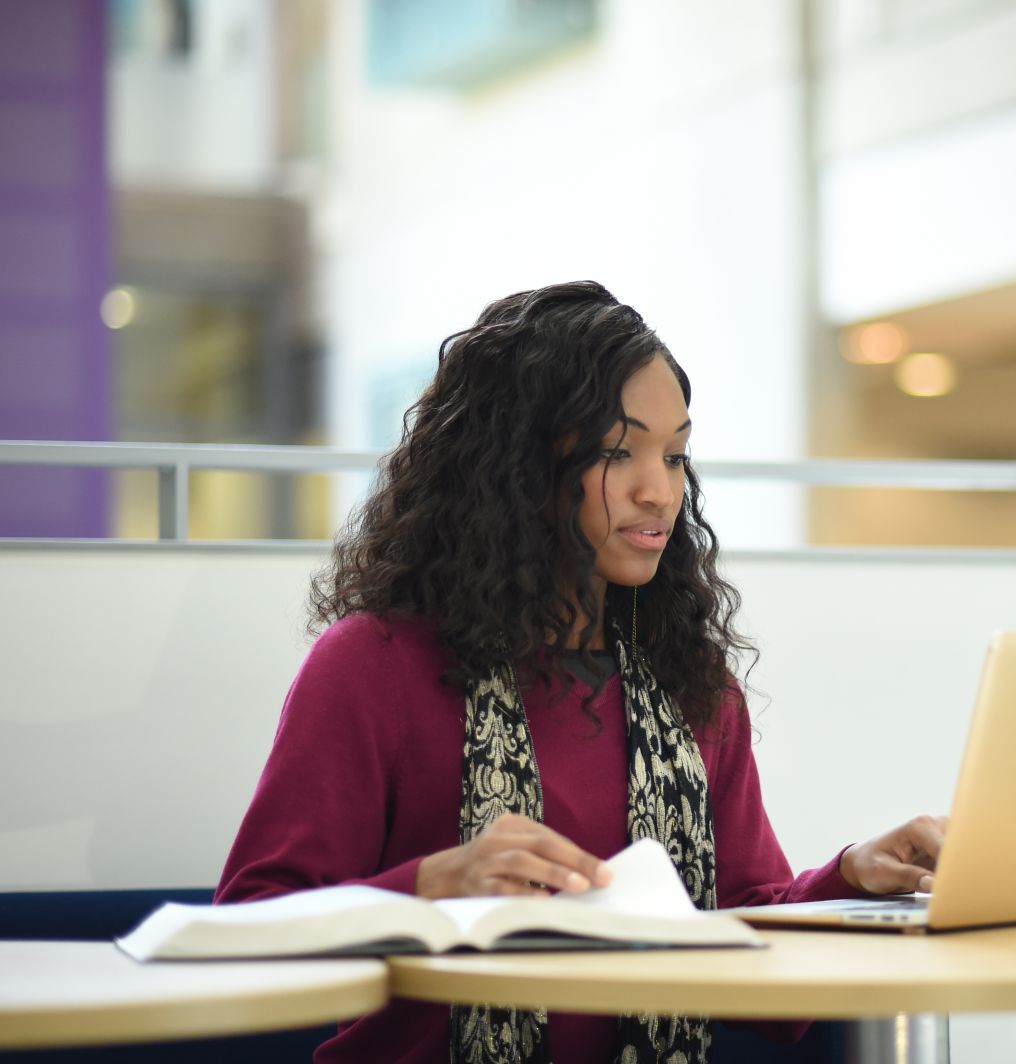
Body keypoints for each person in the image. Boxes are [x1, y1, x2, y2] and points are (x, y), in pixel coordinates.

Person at [216, 281, 946, 1064]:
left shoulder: (689, 685)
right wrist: (429, 887)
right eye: (616, 451)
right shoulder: (376, 665)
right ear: (518, 465)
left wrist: (851, 879)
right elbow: (247, 930)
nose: (658, 490)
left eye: (674, 455)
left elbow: (738, 926)